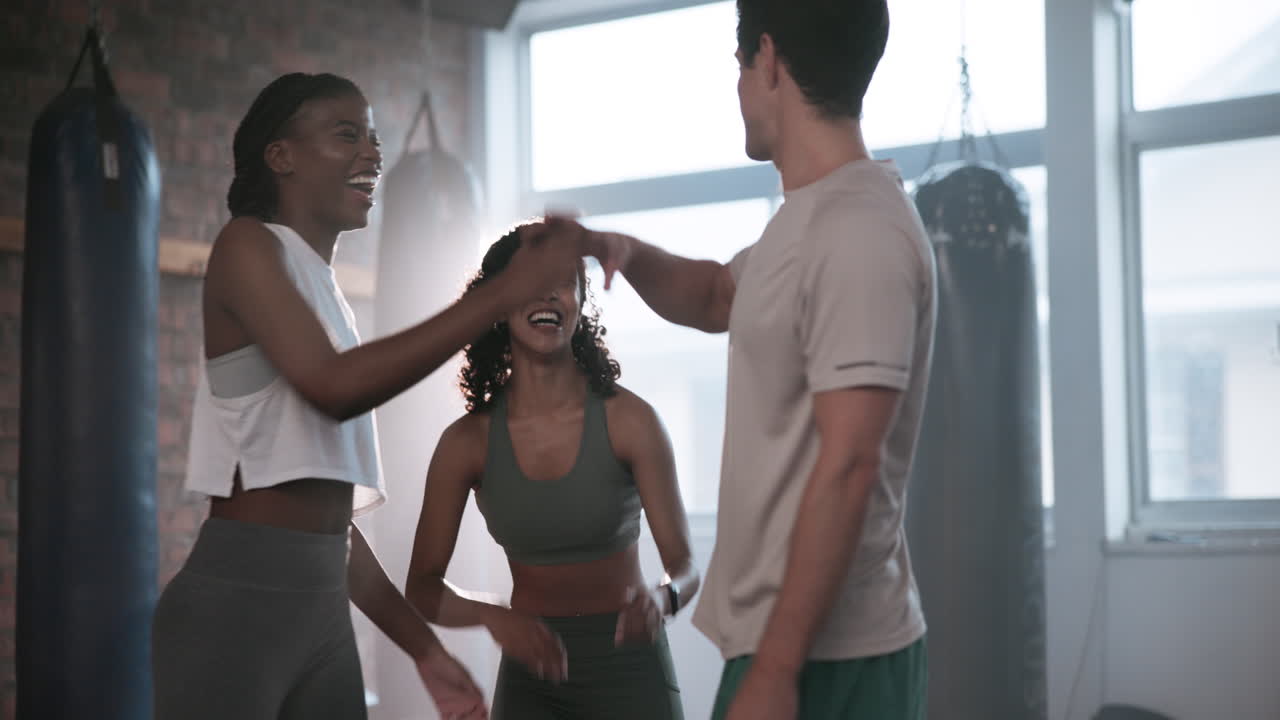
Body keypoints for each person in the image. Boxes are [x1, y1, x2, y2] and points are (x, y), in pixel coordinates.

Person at [151, 72, 583, 720]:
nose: (373, 152)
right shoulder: (246, 243)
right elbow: (335, 387)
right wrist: (500, 294)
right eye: (347, 134)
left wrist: (425, 650)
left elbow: (332, 529)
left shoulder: (328, 296)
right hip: (235, 611)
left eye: (375, 137)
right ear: (281, 156)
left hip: (322, 614)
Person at [549, 1, 936, 718]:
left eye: (738, 66)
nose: (737, 86)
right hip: (786, 649)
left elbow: (852, 463)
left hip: (825, 658)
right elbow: (717, 295)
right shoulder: (813, 218)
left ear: (768, 59)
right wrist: (623, 252)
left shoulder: (859, 231)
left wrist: (778, 671)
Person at [404, 228, 699, 720]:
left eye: (562, 281)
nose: (547, 294)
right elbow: (422, 587)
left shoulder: (632, 420)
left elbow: (685, 566)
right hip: (532, 675)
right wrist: (493, 616)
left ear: (581, 301)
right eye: (530, 280)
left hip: (630, 667)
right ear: (498, 303)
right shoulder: (465, 443)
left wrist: (663, 597)